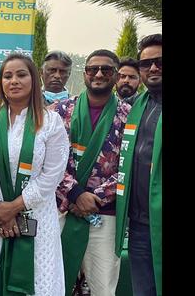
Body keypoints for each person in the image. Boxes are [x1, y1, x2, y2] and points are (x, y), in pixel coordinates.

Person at [0, 53, 69, 295]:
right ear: (0, 83)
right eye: (7, 76)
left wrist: (14, 207)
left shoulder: (51, 122)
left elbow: (51, 175)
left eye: (21, 75)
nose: (14, 81)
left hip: (36, 216)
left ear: (34, 80)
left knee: (37, 280)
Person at [53, 49, 131, 295]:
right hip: (63, 209)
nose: (98, 74)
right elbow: (47, 160)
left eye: (106, 69)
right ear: (84, 73)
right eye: (92, 69)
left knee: (102, 287)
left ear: (116, 76)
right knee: (54, 283)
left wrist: (92, 197)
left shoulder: (129, 116)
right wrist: (75, 193)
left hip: (104, 214)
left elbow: (129, 168)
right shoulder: (59, 111)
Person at [115, 34, 162, 296]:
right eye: (146, 64)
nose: (153, 68)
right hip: (140, 225)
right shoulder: (134, 107)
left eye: (159, 61)